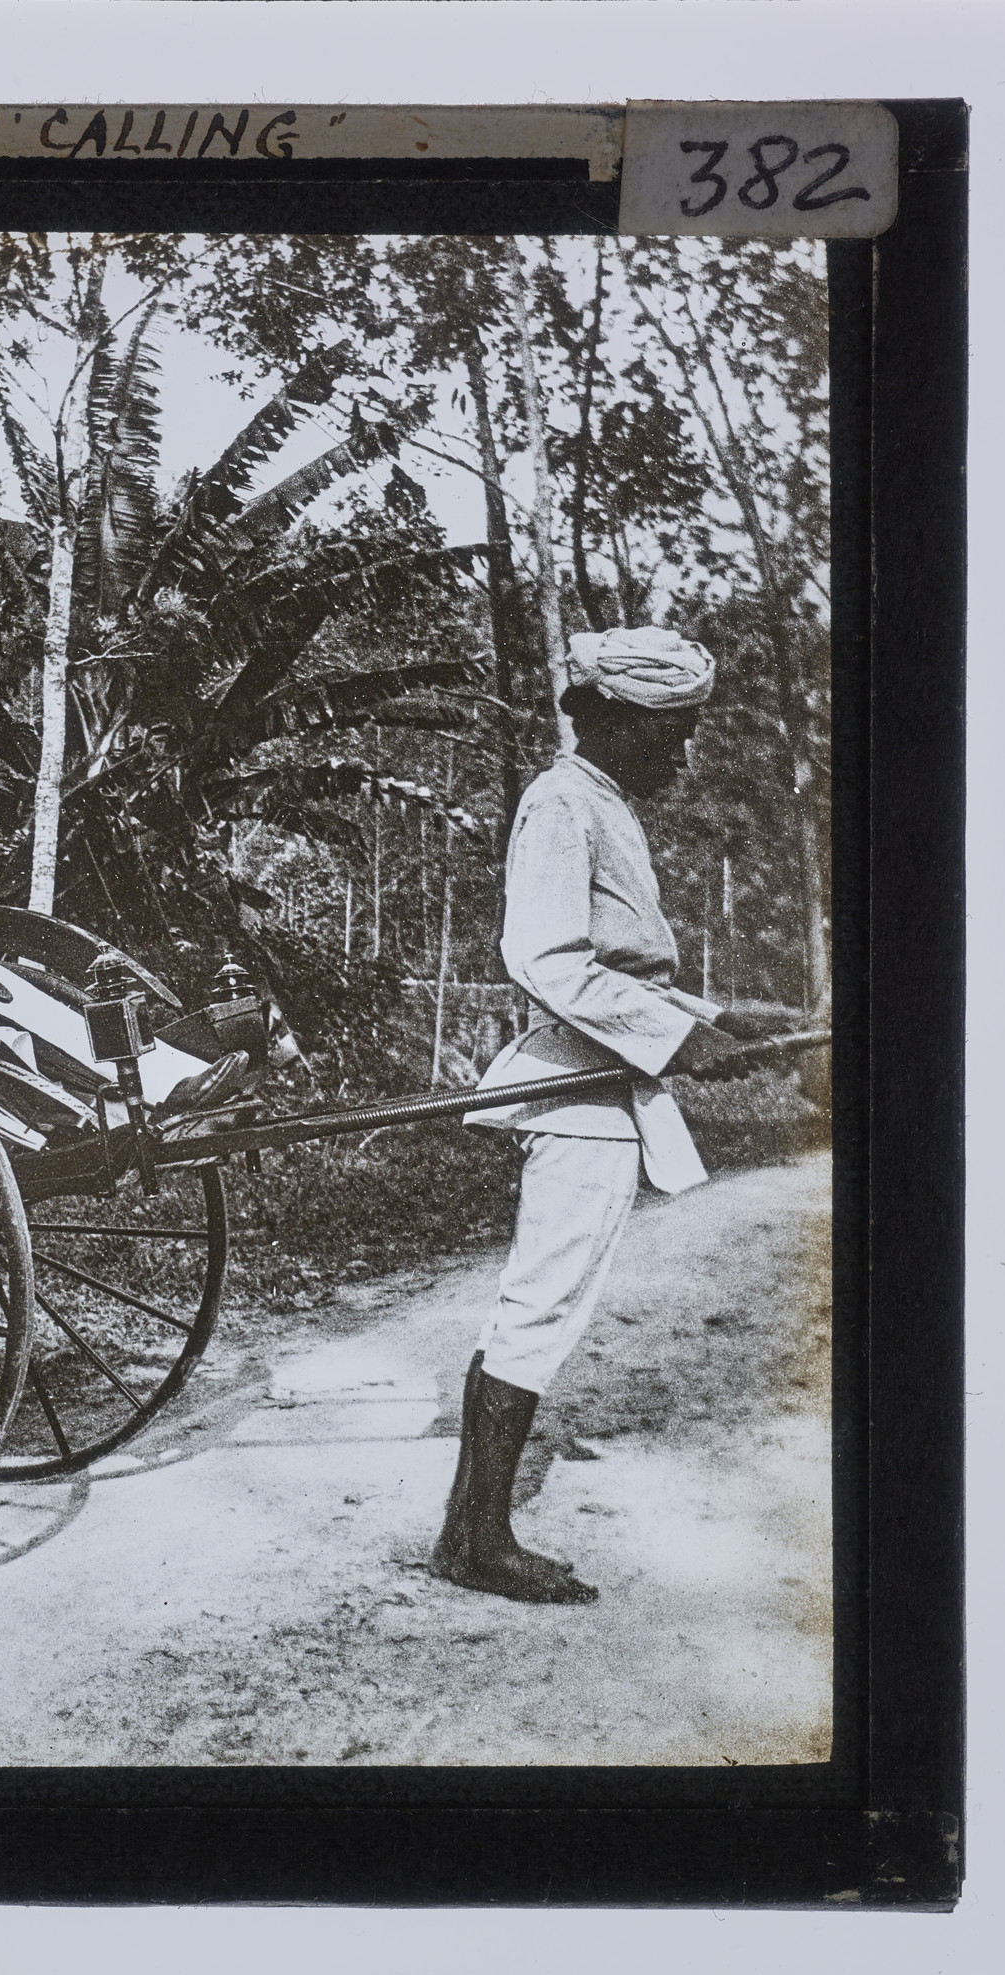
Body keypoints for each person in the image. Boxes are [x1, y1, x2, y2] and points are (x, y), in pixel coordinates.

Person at [431, 625, 795, 1605]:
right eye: (665, 735)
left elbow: (623, 964)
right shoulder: (560, 802)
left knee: (541, 1306)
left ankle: (468, 1530)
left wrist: (717, 1019)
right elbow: (547, 959)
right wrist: (674, 1037)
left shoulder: (603, 802)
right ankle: (478, 1541)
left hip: (605, 1082)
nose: (677, 755)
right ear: (608, 721)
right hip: (575, 1091)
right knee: (538, 1307)